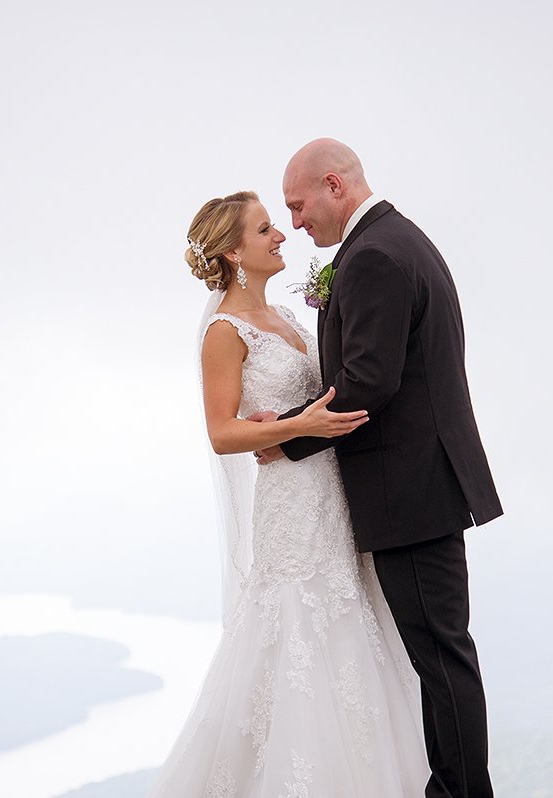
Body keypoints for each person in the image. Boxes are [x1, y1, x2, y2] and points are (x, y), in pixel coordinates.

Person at [147, 190, 429, 796]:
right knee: (295, 627)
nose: (281, 236)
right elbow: (223, 432)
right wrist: (298, 427)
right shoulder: (224, 330)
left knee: (351, 626)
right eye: (266, 229)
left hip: (334, 497)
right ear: (232, 251)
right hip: (289, 505)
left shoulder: (292, 319)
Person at [254, 138, 504, 798]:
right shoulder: (396, 242)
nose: (297, 222)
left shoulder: (375, 258)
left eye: (298, 205)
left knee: (442, 659)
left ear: (334, 186)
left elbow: (367, 380)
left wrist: (285, 437)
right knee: (440, 655)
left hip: (411, 492)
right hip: (422, 487)